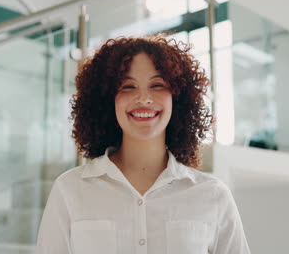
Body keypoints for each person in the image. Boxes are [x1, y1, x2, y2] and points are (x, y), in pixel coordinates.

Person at [35, 35, 250, 254]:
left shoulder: (212, 195)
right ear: (108, 100)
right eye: (128, 86)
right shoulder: (70, 189)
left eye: (157, 85)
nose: (144, 98)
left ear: (178, 97)